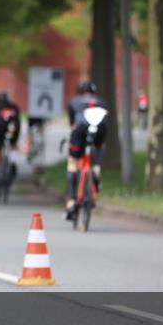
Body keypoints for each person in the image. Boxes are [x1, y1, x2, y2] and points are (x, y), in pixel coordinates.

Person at [64, 80, 109, 220]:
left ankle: (72, 200)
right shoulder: (101, 102)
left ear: (80, 92)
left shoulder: (74, 102)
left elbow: (72, 123)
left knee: (72, 162)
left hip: (81, 129)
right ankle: (95, 171)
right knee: (99, 146)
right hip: (100, 129)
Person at [0, 92, 21, 191]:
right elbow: (18, 120)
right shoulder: (14, 106)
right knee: (13, 145)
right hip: (13, 128)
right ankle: (13, 162)